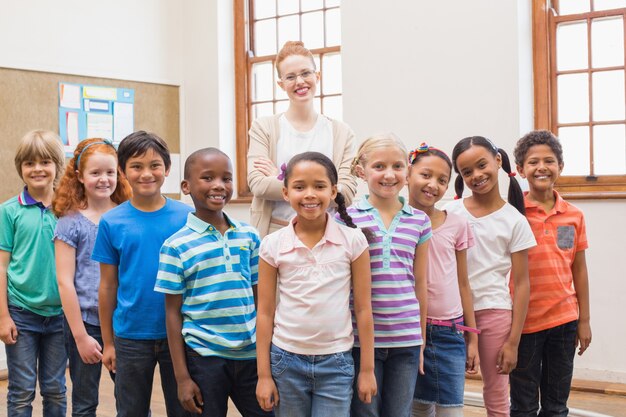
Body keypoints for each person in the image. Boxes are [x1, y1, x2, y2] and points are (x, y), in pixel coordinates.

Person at [256, 151, 376, 417]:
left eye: (319, 186)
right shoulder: (272, 245)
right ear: (286, 193)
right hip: (286, 360)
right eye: (300, 187)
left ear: (333, 191)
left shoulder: (353, 241)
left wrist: (367, 370)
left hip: (336, 362)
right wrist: (263, 375)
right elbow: (264, 313)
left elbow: (364, 309)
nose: (309, 194)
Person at [155, 148, 273, 417]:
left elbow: (261, 299)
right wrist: (182, 378)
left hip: (250, 356)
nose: (219, 185)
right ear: (186, 186)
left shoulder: (249, 236)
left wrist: (267, 357)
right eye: (207, 178)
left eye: (226, 178)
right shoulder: (175, 246)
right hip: (204, 357)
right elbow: (172, 313)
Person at [92, 131, 193, 417]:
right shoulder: (112, 222)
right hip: (131, 336)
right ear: (123, 171)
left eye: (155, 165)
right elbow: (108, 286)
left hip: (181, 333)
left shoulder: (187, 217)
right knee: (131, 410)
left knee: (185, 408)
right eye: (136, 166)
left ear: (167, 169)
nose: (146, 173)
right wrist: (108, 342)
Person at [446, 136, 536, 417]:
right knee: (445, 390)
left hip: (493, 313)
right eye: (467, 172)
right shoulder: (450, 211)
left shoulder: (515, 221)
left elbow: (521, 285)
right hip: (451, 314)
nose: (476, 175)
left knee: (497, 395)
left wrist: (513, 342)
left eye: (482, 165)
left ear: (498, 161)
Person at [344, 134, 431, 417]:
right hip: (360, 339)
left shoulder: (419, 220)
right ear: (362, 171)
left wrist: (421, 340)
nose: (389, 174)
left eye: (397, 166)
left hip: (406, 339)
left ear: (407, 169)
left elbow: (421, 284)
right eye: (379, 166)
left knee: (399, 413)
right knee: (365, 413)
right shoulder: (346, 218)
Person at [509, 130, 591, 417]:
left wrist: (584, 320)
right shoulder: (513, 214)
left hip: (565, 321)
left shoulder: (573, 215)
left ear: (560, 167)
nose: (541, 167)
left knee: (557, 406)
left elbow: (578, 268)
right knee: (524, 405)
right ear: (520, 170)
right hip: (525, 324)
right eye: (532, 162)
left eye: (549, 161)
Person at [52, 138, 131, 417]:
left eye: (110, 172)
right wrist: (81, 337)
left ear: (118, 173)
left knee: (132, 402)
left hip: (123, 324)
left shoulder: (126, 217)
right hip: (84, 324)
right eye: (95, 173)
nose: (103, 179)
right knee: (85, 404)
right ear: (79, 176)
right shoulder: (70, 222)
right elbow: (65, 282)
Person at [247, 40, 357, 237]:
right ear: (281, 84)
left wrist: (282, 180)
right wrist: (324, 187)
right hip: (275, 232)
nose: (299, 82)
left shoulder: (341, 132)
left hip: (329, 234)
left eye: (306, 73)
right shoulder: (263, 128)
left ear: (317, 76)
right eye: (290, 77)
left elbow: (346, 193)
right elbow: (258, 185)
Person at [407, 143, 479, 417]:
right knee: (419, 408)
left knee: (451, 411)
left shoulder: (456, 224)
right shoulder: (398, 224)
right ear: (407, 175)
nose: (433, 185)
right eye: (425, 175)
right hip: (410, 331)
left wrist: (471, 338)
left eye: (442, 180)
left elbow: (463, 282)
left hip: (449, 332)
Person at [0, 130, 67, 416]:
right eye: (29, 163)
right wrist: (3, 316)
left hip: (61, 316)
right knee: (21, 390)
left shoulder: (70, 210)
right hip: (21, 314)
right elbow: (2, 266)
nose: (37, 169)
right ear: (21, 169)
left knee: (55, 388)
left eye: (45, 162)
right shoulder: (9, 211)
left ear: (57, 166)